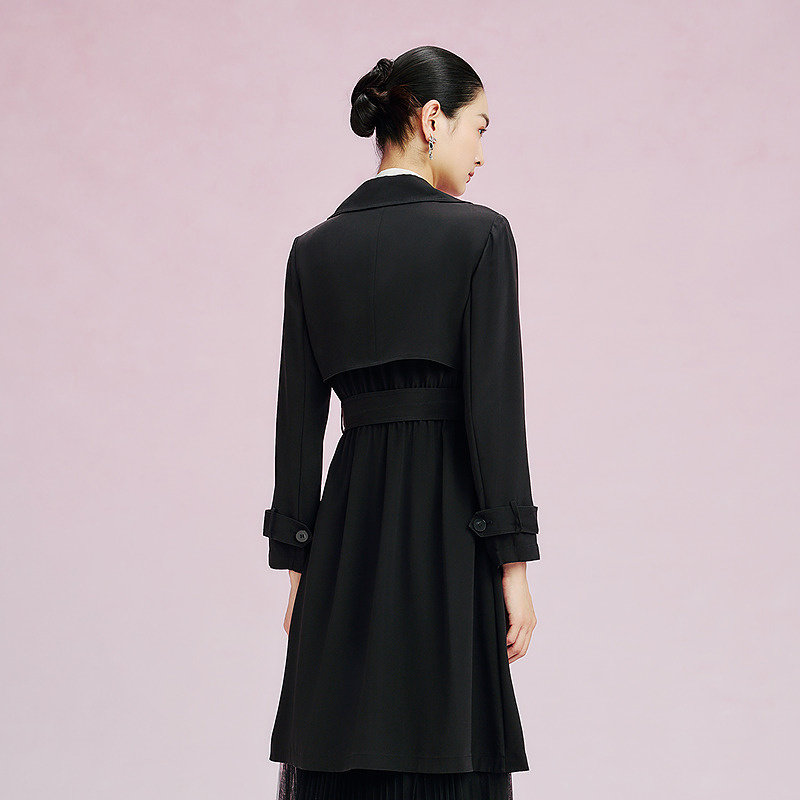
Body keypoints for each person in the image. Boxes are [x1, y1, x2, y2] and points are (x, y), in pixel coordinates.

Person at [263, 45, 542, 800]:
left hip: (346, 533)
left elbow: (298, 423)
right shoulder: (481, 235)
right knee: (446, 740)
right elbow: (495, 411)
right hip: (450, 526)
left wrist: (298, 560)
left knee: (344, 738)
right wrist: (514, 563)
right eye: (478, 128)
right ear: (431, 120)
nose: (481, 153)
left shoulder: (313, 250)